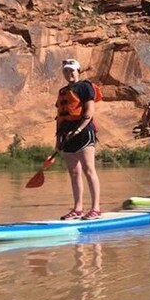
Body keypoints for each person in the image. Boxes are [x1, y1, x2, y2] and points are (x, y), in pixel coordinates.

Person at [56, 58, 101, 219]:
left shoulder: (85, 86)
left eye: (72, 70)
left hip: (83, 133)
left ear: (78, 71)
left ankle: (95, 208)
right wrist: (58, 141)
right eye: (66, 71)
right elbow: (59, 118)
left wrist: (78, 129)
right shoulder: (62, 91)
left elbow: (89, 112)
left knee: (89, 169)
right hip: (67, 136)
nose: (69, 74)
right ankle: (78, 208)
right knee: (74, 172)